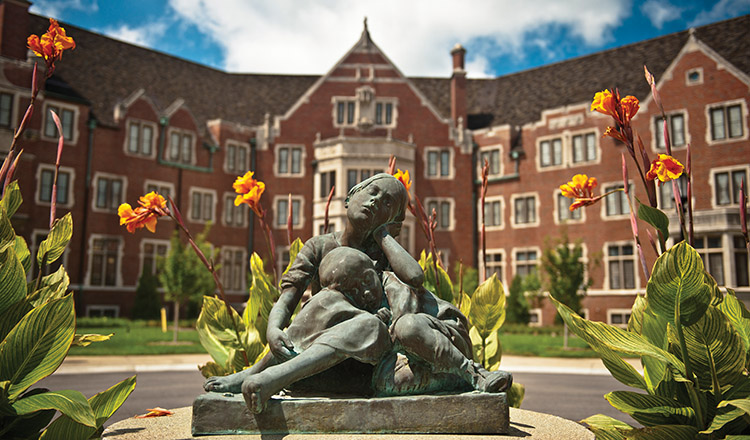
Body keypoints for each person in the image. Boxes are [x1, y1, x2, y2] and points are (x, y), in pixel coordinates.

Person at [204, 173, 511, 412]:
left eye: (388, 204)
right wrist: (273, 328)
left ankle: (265, 377)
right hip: (340, 355)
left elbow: (415, 278)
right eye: (372, 192)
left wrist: (383, 235)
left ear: (393, 222)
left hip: (392, 348)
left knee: (365, 320)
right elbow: (289, 296)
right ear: (350, 197)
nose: (377, 201)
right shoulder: (319, 246)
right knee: (328, 300)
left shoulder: (387, 256)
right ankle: (256, 373)